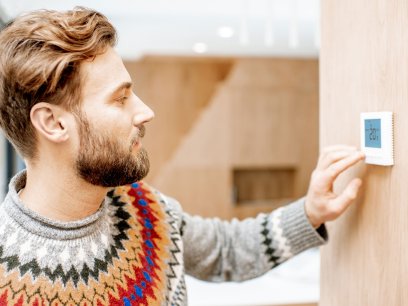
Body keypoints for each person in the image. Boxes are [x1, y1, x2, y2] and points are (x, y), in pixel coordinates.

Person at [0, 7, 365, 306]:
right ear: (52, 123)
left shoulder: (140, 205)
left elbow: (225, 251)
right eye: (120, 97)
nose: (145, 112)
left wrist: (311, 212)